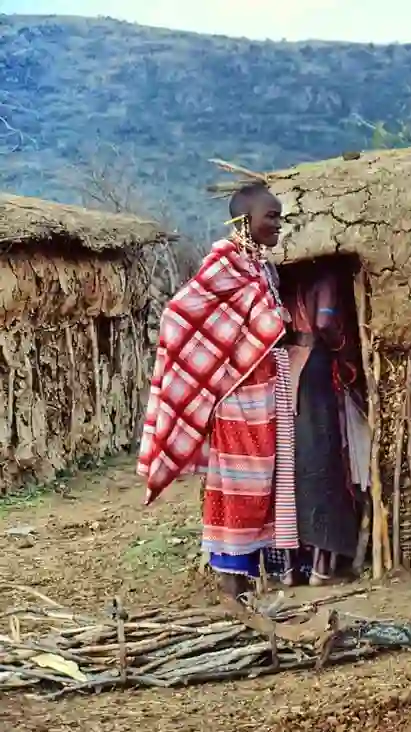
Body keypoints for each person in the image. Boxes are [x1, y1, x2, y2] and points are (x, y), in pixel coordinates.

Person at [137, 183, 297, 602]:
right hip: (238, 400)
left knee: (261, 487)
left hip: (265, 393)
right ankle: (231, 586)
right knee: (237, 487)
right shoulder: (225, 264)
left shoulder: (260, 266)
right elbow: (180, 312)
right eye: (271, 216)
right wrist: (220, 373)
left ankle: (244, 585)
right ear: (245, 221)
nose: (278, 223)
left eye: (280, 216)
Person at [266, 266, 363, 586]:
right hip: (314, 367)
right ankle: (322, 567)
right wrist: (342, 343)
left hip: (285, 363)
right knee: (323, 463)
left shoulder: (283, 281)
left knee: (289, 467)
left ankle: (289, 568)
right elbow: (323, 321)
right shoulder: (325, 279)